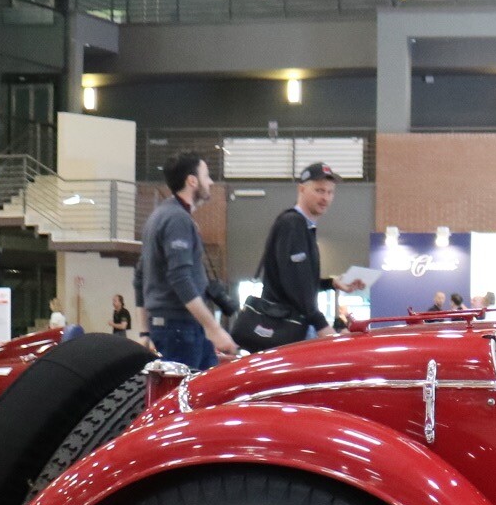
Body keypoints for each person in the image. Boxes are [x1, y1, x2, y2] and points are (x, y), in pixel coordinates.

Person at [235, 161, 363, 351]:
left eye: (330, 192)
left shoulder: (304, 227)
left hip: (294, 327)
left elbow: (298, 279)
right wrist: (321, 326)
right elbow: (295, 284)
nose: (325, 198)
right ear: (302, 189)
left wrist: (331, 283)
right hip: (287, 329)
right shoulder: (292, 224)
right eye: (319, 190)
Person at [139, 153, 239, 368]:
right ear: (192, 181)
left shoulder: (159, 216)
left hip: (174, 327)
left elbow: (140, 276)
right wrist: (213, 328)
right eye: (206, 176)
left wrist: (145, 331)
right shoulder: (177, 219)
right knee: (190, 388)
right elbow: (180, 278)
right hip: (180, 329)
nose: (211, 182)